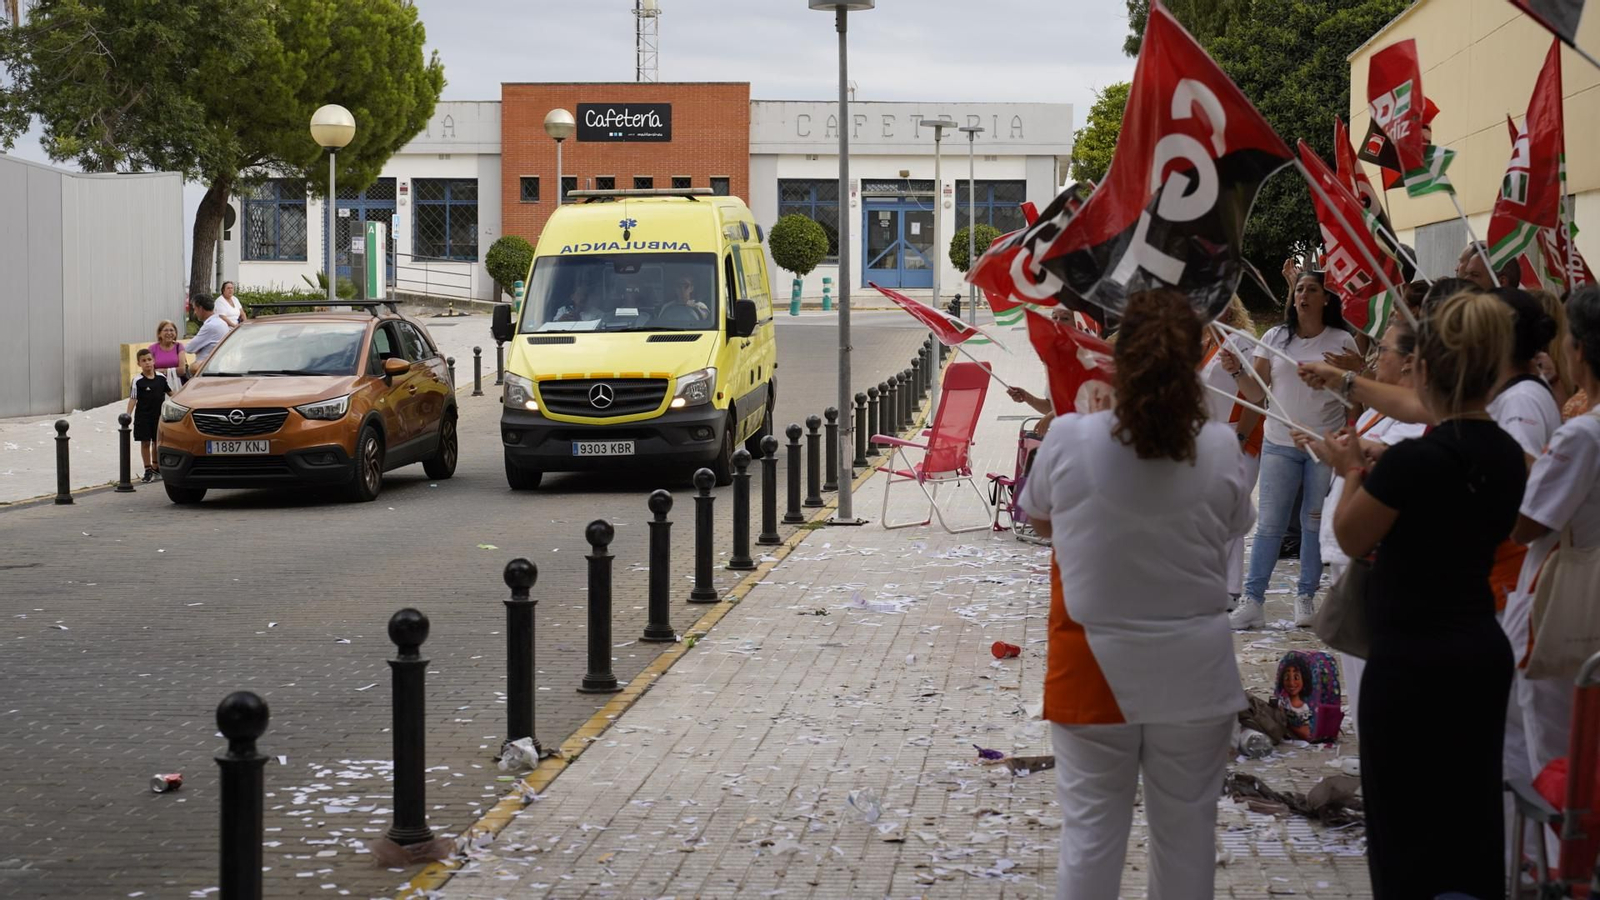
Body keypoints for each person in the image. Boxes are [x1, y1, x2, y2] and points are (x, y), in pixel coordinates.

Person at [1020, 291, 1254, 900]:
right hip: (1195, 674)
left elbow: (1042, 519)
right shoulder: (1221, 446)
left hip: (1090, 667)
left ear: (1117, 357)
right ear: (1194, 362)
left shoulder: (1070, 437)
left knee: (1091, 839)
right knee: (1187, 840)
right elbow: (1235, 526)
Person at [1319, 291, 1526, 900]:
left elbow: (1352, 534)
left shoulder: (1415, 459)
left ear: (1427, 371)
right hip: (1478, 645)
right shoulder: (1509, 455)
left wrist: (1353, 466)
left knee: (1404, 820)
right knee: (1470, 812)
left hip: (1411, 656)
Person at [1505, 284, 1600, 868]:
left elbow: (1526, 525)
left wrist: (1516, 463)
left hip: (1565, 610)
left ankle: (1557, 873)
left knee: (1557, 760)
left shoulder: (1582, 434)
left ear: (1579, 352)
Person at [1298, 314, 1425, 738]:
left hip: (1370, 548)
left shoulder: (1417, 417)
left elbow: (1392, 461)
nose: (1375, 357)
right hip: (1346, 543)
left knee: (1372, 666)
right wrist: (1326, 450)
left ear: (1409, 363)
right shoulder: (1380, 409)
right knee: (1355, 665)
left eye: (1383, 350)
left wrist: (1355, 454)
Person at [1223, 269, 1359, 629]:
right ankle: (1252, 601)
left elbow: (1353, 397)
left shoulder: (1343, 340)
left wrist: (1350, 439)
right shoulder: (1274, 338)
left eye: (1312, 289)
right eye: (1299, 289)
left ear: (1326, 298)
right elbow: (1255, 393)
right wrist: (1237, 371)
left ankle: (1305, 597)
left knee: (1313, 523)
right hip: (1279, 443)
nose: (1303, 295)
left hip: (1325, 447)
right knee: (1269, 525)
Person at [1198, 296, 1264, 607]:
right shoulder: (1207, 341)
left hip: (1238, 437)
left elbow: (1257, 395)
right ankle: (1224, 585)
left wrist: (1240, 438)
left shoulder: (1241, 341)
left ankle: (1227, 589)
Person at [125, 348, 172, 482]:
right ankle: (147, 469)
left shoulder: (161, 378)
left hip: (159, 417)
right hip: (143, 417)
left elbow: (170, 393)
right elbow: (133, 399)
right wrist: (128, 414)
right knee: (145, 443)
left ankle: (156, 467)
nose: (147, 363)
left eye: (149, 360)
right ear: (139, 363)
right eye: (144, 361)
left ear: (154, 361)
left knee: (157, 443)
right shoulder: (137, 381)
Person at [185, 294, 228, 375]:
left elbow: (189, 348)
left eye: (195, 309)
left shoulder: (210, 326)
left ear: (200, 308)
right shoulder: (222, 323)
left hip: (206, 368)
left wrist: (198, 348)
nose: (195, 313)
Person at [148, 320, 185, 388]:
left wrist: (163, 371)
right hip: (157, 386)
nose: (169, 333)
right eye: (166, 330)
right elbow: (149, 371)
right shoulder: (152, 348)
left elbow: (182, 370)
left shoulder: (179, 346)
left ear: (175, 333)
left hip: (177, 386)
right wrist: (173, 371)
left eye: (171, 330)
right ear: (159, 333)